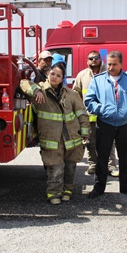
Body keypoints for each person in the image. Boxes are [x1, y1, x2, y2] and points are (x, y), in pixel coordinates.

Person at [20, 63, 90, 204]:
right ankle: (53, 194)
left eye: (58, 76)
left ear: (62, 78)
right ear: (48, 74)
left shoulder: (72, 94)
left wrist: (85, 131)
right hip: (52, 138)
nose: (54, 77)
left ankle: (67, 191)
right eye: (52, 74)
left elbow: (82, 114)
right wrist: (36, 91)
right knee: (55, 166)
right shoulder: (40, 90)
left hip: (71, 138)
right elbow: (23, 83)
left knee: (70, 166)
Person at [85, 50, 127, 198]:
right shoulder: (98, 80)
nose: (111, 67)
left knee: (124, 157)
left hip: (124, 124)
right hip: (105, 123)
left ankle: (126, 187)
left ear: (121, 64)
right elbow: (89, 100)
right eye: (109, 64)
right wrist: (102, 110)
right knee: (102, 157)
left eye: (114, 64)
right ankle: (99, 188)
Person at [72, 50, 119, 177]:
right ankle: (93, 164)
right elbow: (75, 94)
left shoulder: (108, 73)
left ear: (100, 59)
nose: (93, 60)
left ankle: (111, 166)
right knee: (90, 142)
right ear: (87, 61)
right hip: (88, 115)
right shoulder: (82, 75)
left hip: (105, 115)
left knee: (109, 141)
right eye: (91, 58)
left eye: (96, 58)